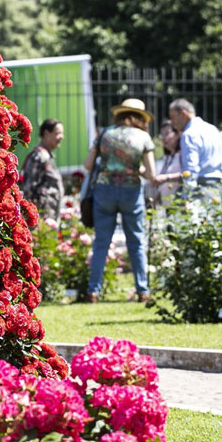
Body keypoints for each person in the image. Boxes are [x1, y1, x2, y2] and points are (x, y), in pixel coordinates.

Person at [84, 98, 156, 303]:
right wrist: (135, 170)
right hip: (130, 192)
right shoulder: (143, 137)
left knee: (101, 243)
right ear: (140, 118)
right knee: (136, 242)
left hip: (104, 191)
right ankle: (143, 290)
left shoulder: (105, 133)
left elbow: (88, 165)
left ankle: (93, 291)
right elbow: (150, 173)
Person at [161, 98, 222, 194]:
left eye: (173, 117)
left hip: (200, 187)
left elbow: (190, 169)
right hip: (218, 185)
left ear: (183, 114)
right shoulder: (212, 129)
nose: (172, 122)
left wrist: (187, 195)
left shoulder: (189, 134)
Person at [21, 118, 65, 222]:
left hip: (49, 216)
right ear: (46, 133)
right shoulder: (39, 156)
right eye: (58, 133)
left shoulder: (46, 156)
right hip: (42, 219)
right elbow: (29, 188)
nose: (61, 137)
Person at [152, 120, 183, 205]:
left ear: (177, 134)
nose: (163, 138)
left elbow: (188, 174)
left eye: (167, 134)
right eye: (162, 135)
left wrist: (166, 178)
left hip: (180, 205)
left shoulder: (182, 155)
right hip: (168, 207)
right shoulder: (167, 157)